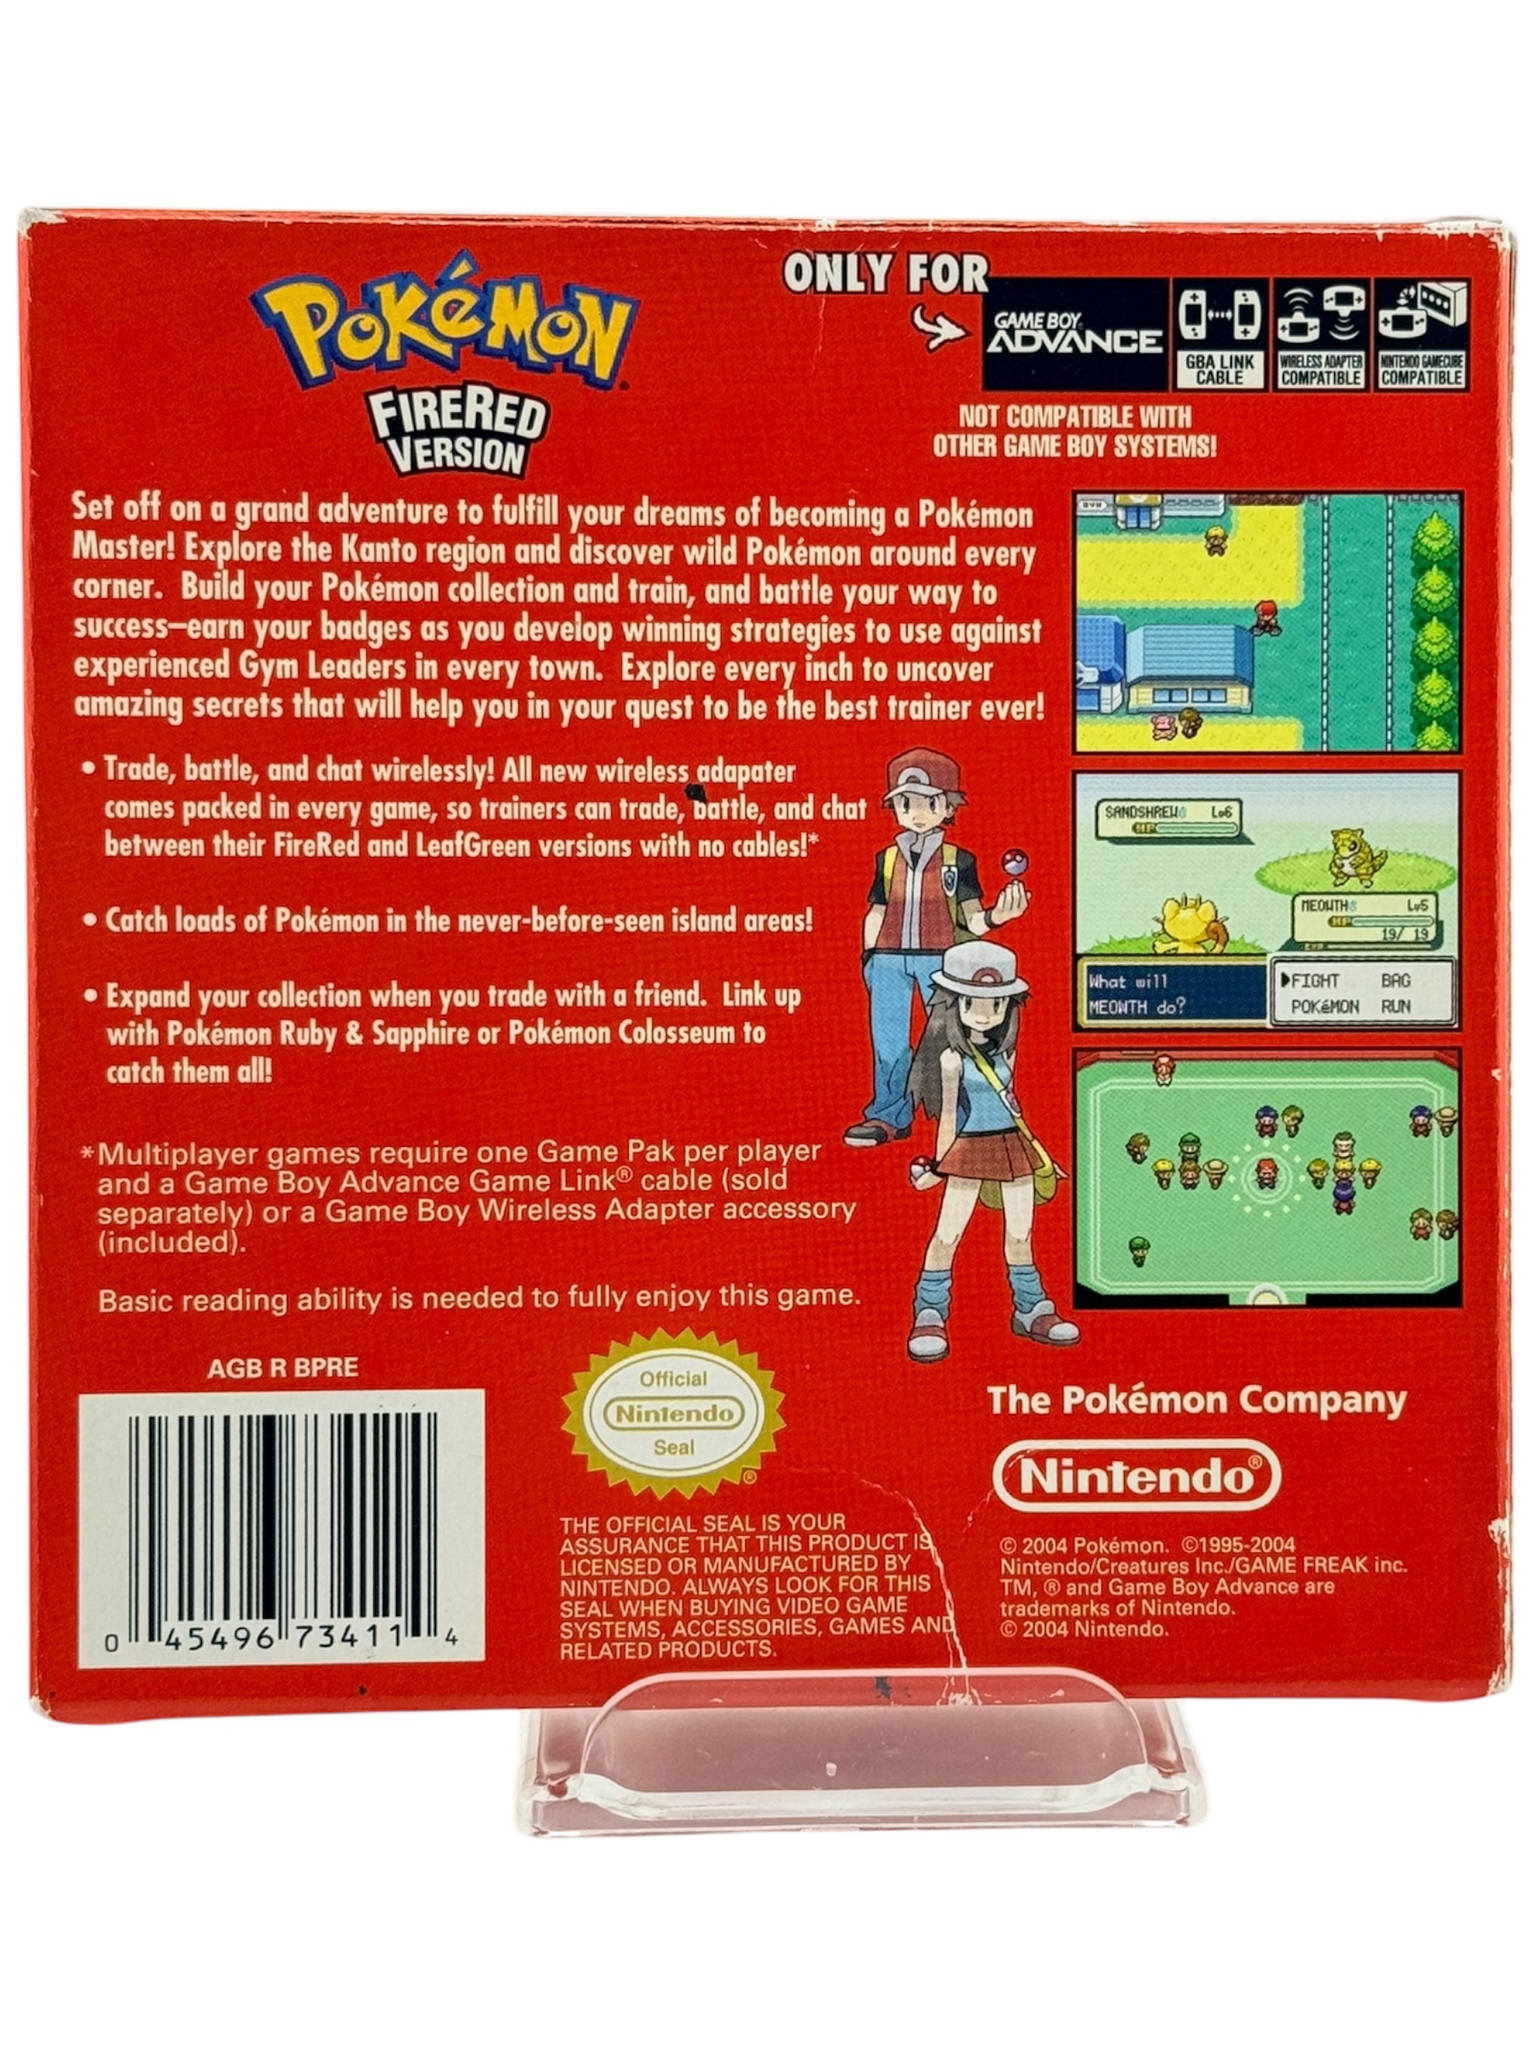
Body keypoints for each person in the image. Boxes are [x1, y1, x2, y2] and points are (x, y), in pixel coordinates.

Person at [905, 939, 1078, 1360]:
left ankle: (1031, 1308)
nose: (985, 1014)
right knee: (948, 1234)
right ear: (952, 1005)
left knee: (1020, 1235)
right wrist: (940, 1166)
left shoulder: (1007, 1053)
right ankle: (930, 1311)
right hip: (968, 1148)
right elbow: (949, 1115)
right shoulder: (951, 1059)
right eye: (972, 1004)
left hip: (1011, 1144)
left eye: (996, 1005)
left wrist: (1039, 1152)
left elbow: (1012, 1105)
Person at [845, 747, 1026, 1147]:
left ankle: (964, 1119)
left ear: (948, 806)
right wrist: (869, 958)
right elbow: (876, 912)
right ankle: (888, 1116)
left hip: (941, 961)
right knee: (888, 1042)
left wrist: (997, 917)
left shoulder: (959, 860)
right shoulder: (886, 859)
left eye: (929, 802)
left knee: (950, 1039)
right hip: (888, 959)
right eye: (905, 803)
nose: (916, 812)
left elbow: (972, 920)